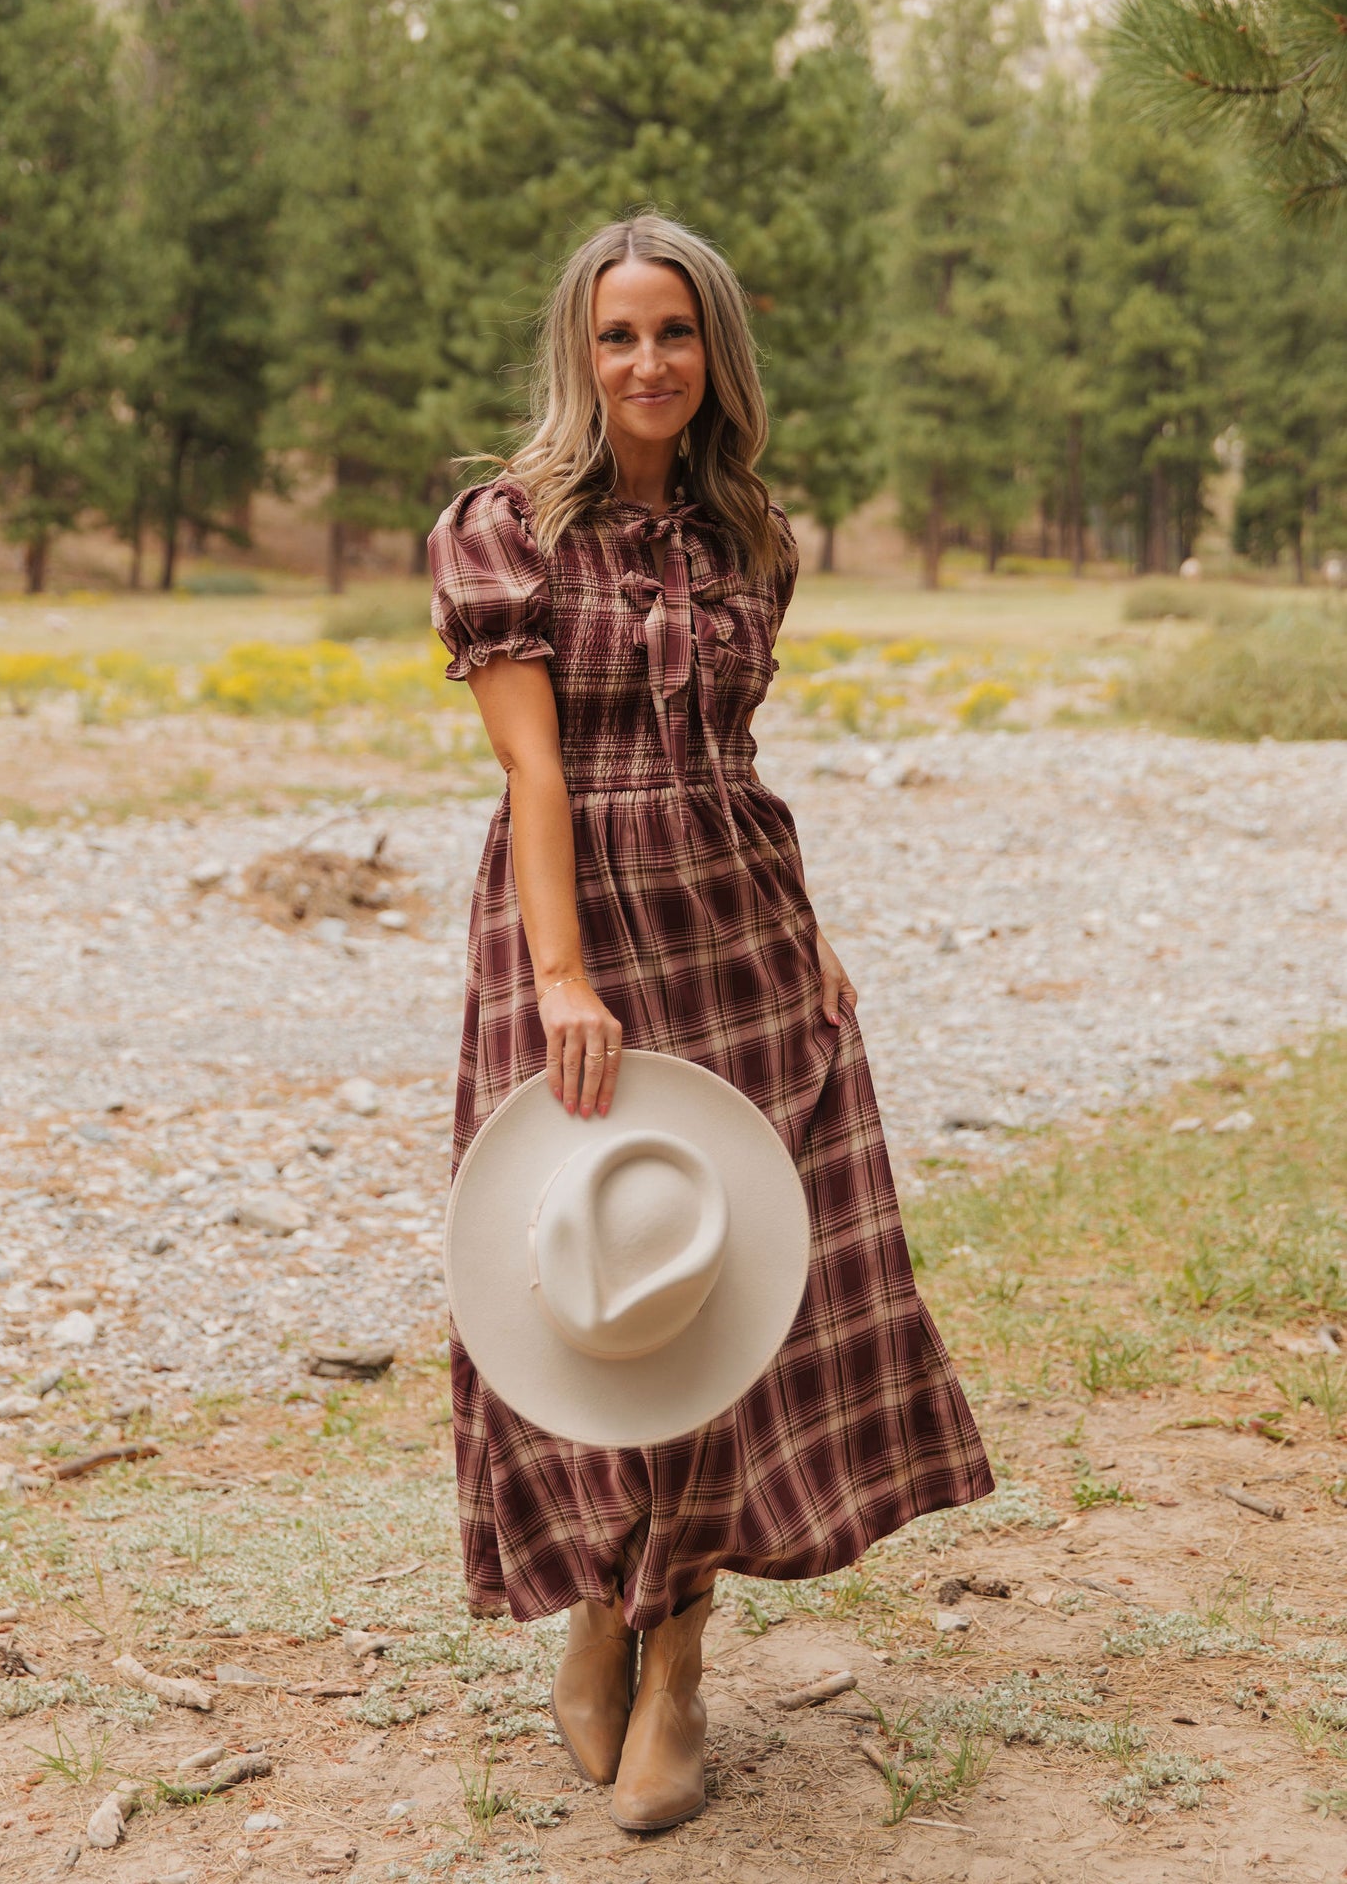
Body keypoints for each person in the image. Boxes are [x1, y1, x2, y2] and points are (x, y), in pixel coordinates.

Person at [428, 214, 992, 1836]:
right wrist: (560, 978)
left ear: (714, 349)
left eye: (673, 332)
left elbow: (731, 769)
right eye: (615, 336)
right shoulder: (502, 527)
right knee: (583, 1287)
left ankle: (677, 1659)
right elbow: (537, 774)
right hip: (570, 930)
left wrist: (813, 952)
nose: (646, 364)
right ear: (575, 352)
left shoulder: (754, 533)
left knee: (722, 1296)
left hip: (742, 925)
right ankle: (600, 1602)